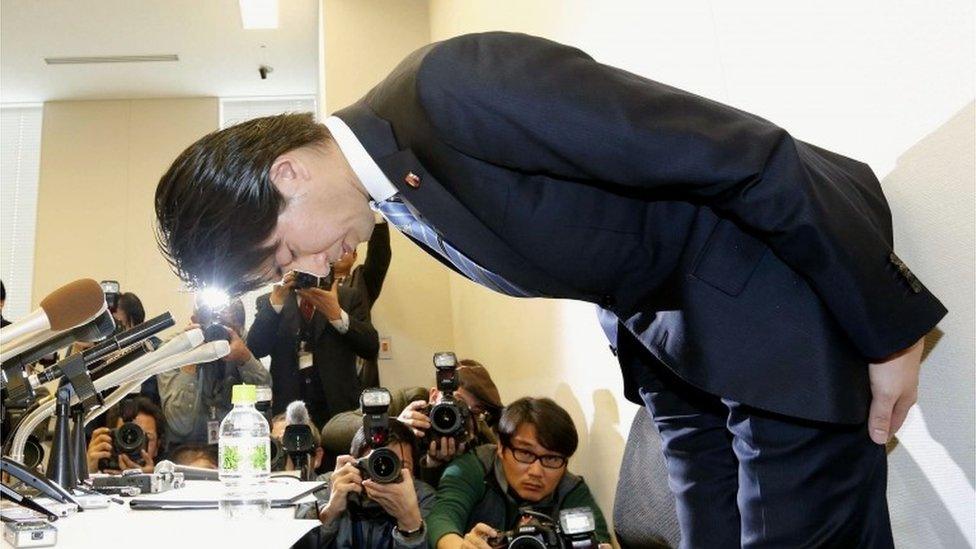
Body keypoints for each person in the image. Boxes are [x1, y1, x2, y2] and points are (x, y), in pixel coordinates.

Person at [154, 32, 947, 546]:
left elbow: (739, 154)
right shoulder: (399, 196)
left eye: (288, 251)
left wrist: (884, 326)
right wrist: (664, 391)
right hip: (682, 360)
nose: (317, 271)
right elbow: (608, 240)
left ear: (284, 174)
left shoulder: (452, 85)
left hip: (777, 316)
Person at [425, 397, 610, 548]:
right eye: (525, 453)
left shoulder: (570, 489)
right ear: (501, 447)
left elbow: (599, 538)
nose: (536, 471)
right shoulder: (474, 467)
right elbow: (442, 518)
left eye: (552, 458)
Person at [247, 269, 379, 428]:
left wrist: (337, 315)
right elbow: (256, 348)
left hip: (338, 408)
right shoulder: (270, 300)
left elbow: (370, 347)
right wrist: (275, 303)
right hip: (287, 409)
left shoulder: (347, 297)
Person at [157, 299, 271, 449]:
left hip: (234, 445)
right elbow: (179, 424)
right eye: (212, 327)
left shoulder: (241, 342)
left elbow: (264, 396)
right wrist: (190, 359)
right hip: (186, 450)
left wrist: (245, 358)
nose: (218, 334)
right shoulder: (172, 349)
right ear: (194, 321)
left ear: (239, 328)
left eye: (226, 327)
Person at [307, 420, 435, 548]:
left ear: (413, 473)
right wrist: (330, 511)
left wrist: (410, 523)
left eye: (397, 466)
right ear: (353, 464)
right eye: (377, 465)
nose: (385, 476)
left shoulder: (423, 498)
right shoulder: (329, 486)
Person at [397, 359, 503, 487]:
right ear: (434, 396)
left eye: (474, 411)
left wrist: (438, 464)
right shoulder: (404, 403)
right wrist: (396, 430)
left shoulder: (478, 438)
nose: (460, 414)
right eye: (457, 402)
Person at [335, 219, 391, 389]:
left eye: (345, 249)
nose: (339, 252)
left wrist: (377, 220)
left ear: (354, 256)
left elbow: (379, 256)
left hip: (356, 366)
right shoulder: (312, 284)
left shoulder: (362, 281)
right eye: (335, 247)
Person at [86, 396, 165, 474]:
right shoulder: (95, 476)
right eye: (125, 436)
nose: (134, 444)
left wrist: (152, 479)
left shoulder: (164, 477)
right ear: (111, 438)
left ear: (157, 447)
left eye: (146, 438)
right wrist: (88, 471)